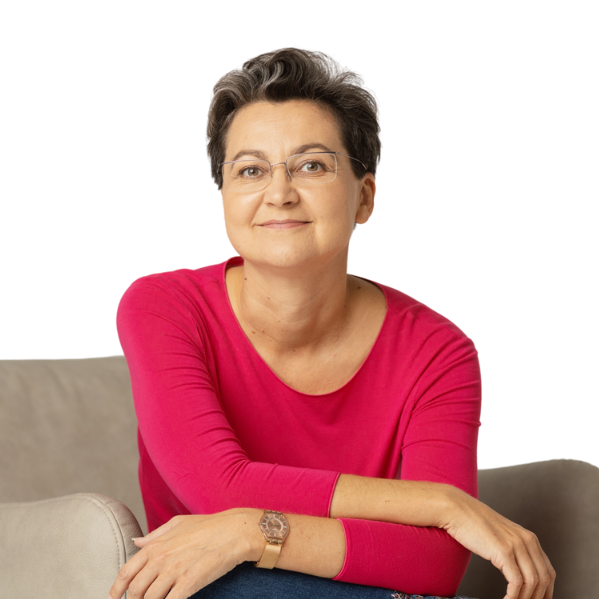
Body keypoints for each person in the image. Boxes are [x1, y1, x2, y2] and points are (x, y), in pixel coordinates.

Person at [107, 48, 556, 599]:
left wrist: (251, 532)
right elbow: (217, 488)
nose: (279, 193)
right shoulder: (164, 307)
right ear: (224, 195)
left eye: (312, 166)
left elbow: (437, 565)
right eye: (250, 170)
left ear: (363, 197)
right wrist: (439, 503)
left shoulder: (437, 351)